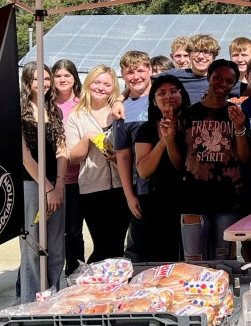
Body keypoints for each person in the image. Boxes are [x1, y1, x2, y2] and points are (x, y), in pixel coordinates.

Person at [181, 59, 251, 261]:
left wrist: (239, 128)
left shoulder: (238, 114)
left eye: (229, 80)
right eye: (218, 78)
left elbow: (245, 157)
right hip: (193, 197)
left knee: (224, 261)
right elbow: (179, 159)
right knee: (194, 260)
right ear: (209, 77)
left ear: (234, 84)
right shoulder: (189, 114)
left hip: (227, 197)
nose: (222, 83)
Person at [65, 65, 127, 263]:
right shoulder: (76, 115)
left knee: (117, 245)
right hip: (93, 189)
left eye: (107, 84)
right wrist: (88, 139)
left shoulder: (119, 111)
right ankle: (91, 283)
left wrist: (118, 157)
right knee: (102, 246)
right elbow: (74, 157)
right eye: (97, 82)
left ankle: (115, 288)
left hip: (121, 186)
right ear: (88, 84)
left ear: (114, 88)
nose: (101, 88)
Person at [18, 63, 68, 300]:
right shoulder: (18, 113)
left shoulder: (54, 111)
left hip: (55, 188)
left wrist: (58, 185)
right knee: (33, 248)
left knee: (57, 246)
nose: (45, 83)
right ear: (28, 82)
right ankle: (32, 302)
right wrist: (47, 187)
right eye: (38, 79)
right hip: (31, 187)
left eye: (47, 79)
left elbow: (61, 151)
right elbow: (25, 158)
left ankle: (58, 296)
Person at [134, 73, 191, 262]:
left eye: (174, 91)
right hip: (157, 200)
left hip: (188, 197)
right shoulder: (147, 129)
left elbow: (179, 165)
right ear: (153, 101)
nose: (168, 97)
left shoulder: (191, 125)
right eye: (162, 93)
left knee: (189, 255)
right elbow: (143, 170)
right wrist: (164, 140)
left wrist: (172, 138)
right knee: (159, 257)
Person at [111, 50, 152, 261]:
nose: (136, 77)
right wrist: (129, 195)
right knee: (139, 249)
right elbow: (123, 156)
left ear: (151, 70)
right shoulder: (122, 110)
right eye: (130, 72)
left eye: (141, 71)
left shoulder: (167, 95)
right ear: (122, 75)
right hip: (142, 189)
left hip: (174, 187)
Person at [50, 59, 84, 275]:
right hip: (50, 179)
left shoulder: (82, 104)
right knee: (50, 232)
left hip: (77, 179)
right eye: (58, 76)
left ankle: (74, 274)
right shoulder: (46, 104)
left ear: (74, 79)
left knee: (73, 232)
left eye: (67, 76)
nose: (62, 80)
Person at [175, 34, 219, 103]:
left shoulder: (224, 81)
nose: (200, 56)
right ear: (189, 55)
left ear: (214, 57)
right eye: (196, 51)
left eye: (206, 52)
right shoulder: (175, 77)